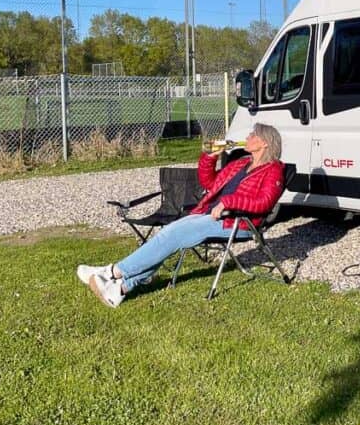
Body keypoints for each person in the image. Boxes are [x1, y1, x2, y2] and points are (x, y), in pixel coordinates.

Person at [78, 124, 285, 307]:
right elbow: (210, 184)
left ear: (264, 143)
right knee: (169, 235)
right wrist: (209, 157)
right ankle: (120, 289)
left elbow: (264, 203)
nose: (248, 137)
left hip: (237, 223)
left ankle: (111, 272)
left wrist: (227, 202)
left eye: (253, 135)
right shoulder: (240, 163)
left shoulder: (273, 170)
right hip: (211, 215)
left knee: (171, 235)